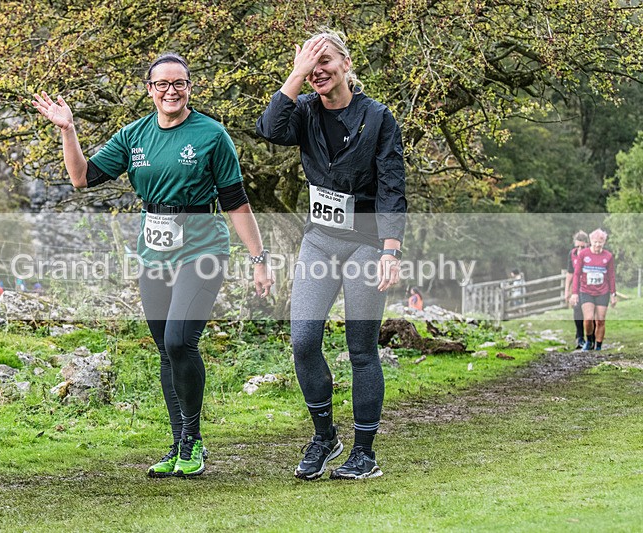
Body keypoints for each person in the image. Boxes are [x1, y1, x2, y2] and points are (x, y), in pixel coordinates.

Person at [33, 52, 274, 477]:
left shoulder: (212, 135)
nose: (170, 91)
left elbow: (236, 202)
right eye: (161, 84)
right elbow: (82, 178)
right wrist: (68, 130)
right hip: (154, 255)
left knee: (182, 341)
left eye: (178, 83)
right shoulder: (134, 135)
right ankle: (179, 443)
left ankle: (194, 441)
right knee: (166, 349)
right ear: (149, 90)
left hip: (202, 252)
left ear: (189, 88)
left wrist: (259, 259)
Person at [257, 29, 406, 480]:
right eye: (309, 62)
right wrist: (296, 75)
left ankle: (364, 452)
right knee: (303, 340)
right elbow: (268, 129)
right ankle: (325, 437)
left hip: (364, 243)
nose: (317, 70)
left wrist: (390, 251)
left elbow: (392, 187)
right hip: (319, 240)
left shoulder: (378, 118)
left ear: (345, 62)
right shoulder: (302, 111)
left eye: (324, 60)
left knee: (361, 348)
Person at [570, 229, 616, 351]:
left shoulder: (608, 256)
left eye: (600, 242)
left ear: (604, 243)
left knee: (600, 320)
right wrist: (574, 293)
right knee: (588, 318)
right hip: (586, 291)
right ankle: (589, 340)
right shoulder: (583, 255)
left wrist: (613, 294)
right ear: (591, 241)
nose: (597, 245)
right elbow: (576, 274)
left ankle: (599, 346)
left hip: (603, 292)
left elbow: (611, 276)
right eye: (595, 242)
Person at [564, 231, 591, 350]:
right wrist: (567, 291)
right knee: (577, 310)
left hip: (590, 287)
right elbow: (570, 273)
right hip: (577, 287)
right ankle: (579, 337)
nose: (580, 249)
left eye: (582, 247)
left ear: (587, 245)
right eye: (577, 246)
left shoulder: (592, 254)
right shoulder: (572, 254)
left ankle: (591, 338)